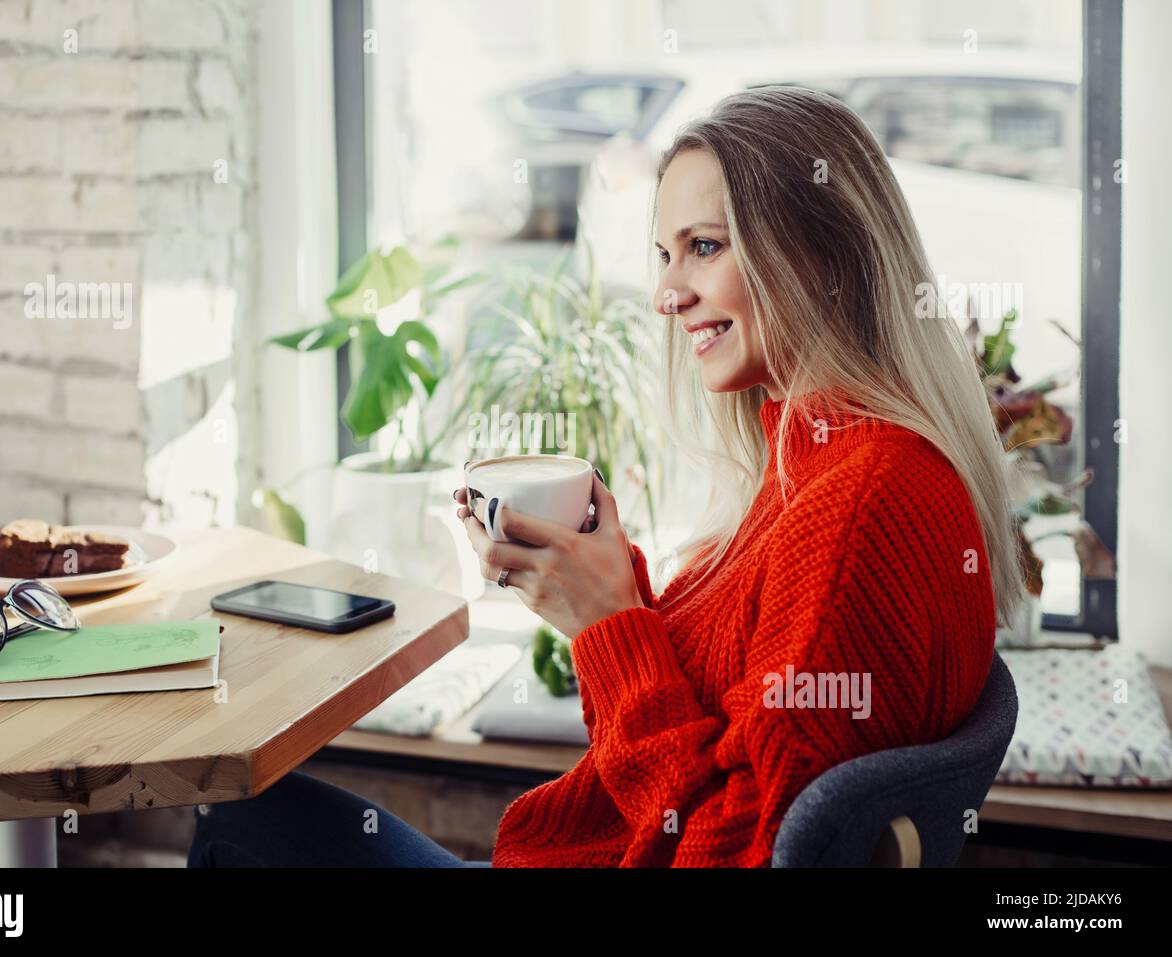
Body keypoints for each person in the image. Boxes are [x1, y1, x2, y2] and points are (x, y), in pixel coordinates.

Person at [188, 85, 1020, 868]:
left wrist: (611, 625)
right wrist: (596, 599)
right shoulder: (830, 461)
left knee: (241, 821)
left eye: (703, 247)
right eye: (664, 254)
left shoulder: (858, 504)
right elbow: (725, 731)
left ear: (822, 251)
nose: (666, 293)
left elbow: (727, 850)